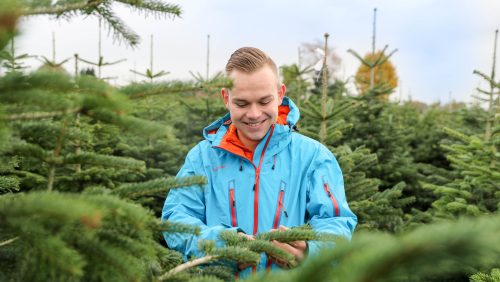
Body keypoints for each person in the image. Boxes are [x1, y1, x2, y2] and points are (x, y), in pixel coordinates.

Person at [162, 47, 356, 276]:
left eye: (264, 102)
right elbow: (176, 219)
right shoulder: (202, 157)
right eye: (242, 104)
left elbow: (336, 221)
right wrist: (219, 244)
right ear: (226, 98)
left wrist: (310, 251)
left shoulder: (314, 156)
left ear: (280, 94)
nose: (254, 114)